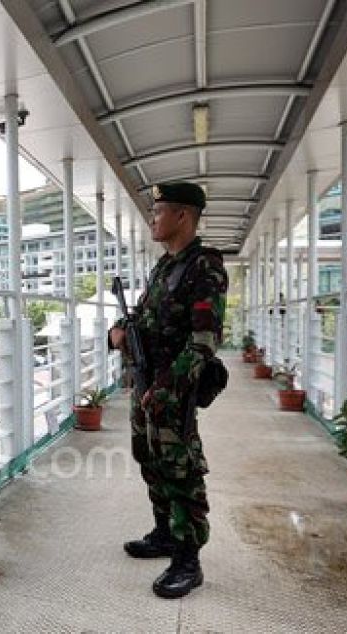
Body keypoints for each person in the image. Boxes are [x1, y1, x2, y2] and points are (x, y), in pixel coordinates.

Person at [108, 181, 229, 599]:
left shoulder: (205, 267)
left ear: (183, 216)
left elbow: (204, 341)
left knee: (182, 470)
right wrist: (121, 330)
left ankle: (188, 559)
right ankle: (163, 532)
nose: (152, 219)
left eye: (159, 212)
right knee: (150, 460)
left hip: (172, 390)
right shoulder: (163, 267)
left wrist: (164, 390)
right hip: (145, 383)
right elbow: (143, 313)